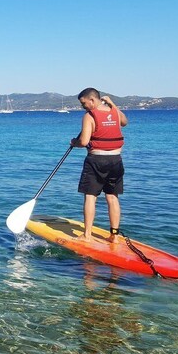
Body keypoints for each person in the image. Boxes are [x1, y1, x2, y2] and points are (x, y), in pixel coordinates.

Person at [70, 88, 128, 242]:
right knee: (112, 197)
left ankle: (87, 235)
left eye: (84, 103)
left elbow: (83, 142)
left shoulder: (89, 116)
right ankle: (114, 236)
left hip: (97, 161)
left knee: (90, 197)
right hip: (116, 160)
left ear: (93, 100)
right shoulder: (115, 111)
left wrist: (74, 143)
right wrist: (112, 104)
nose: (83, 107)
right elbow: (124, 122)